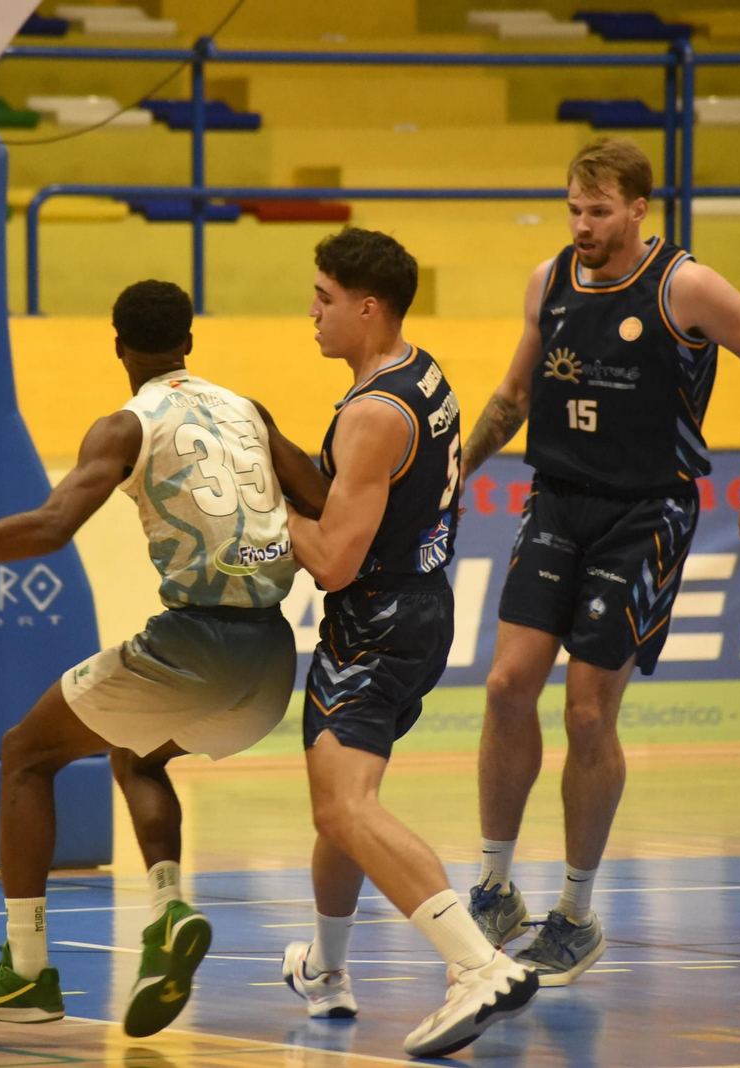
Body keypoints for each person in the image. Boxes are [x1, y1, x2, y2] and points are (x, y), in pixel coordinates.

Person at [0, 280, 305, 1039]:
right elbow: (322, 497)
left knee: (25, 754)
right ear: (190, 338)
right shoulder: (249, 410)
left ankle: (24, 975)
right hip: (277, 663)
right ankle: (166, 913)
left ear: (116, 343)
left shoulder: (124, 426)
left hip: (199, 642)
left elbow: (53, 527)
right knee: (136, 757)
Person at [459, 138, 740, 985]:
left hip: (646, 512)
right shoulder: (547, 281)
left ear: (638, 210)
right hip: (555, 498)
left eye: (599, 211)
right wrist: (457, 470)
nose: (582, 225)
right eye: (573, 210)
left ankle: (576, 914)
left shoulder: (685, 286)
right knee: (508, 687)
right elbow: (513, 396)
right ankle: (495, 885)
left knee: (589, 713)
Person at [275, 229, 538, 1059]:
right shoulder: (422, 372)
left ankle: (474, 964)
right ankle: (326, 968)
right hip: (418, 609)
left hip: (376, 624)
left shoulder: (371, 415)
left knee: (342, 806)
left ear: (367, 306)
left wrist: (260, 506)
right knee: (340, 807)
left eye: (323, 298)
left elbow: (332, 557)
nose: (311, 312)